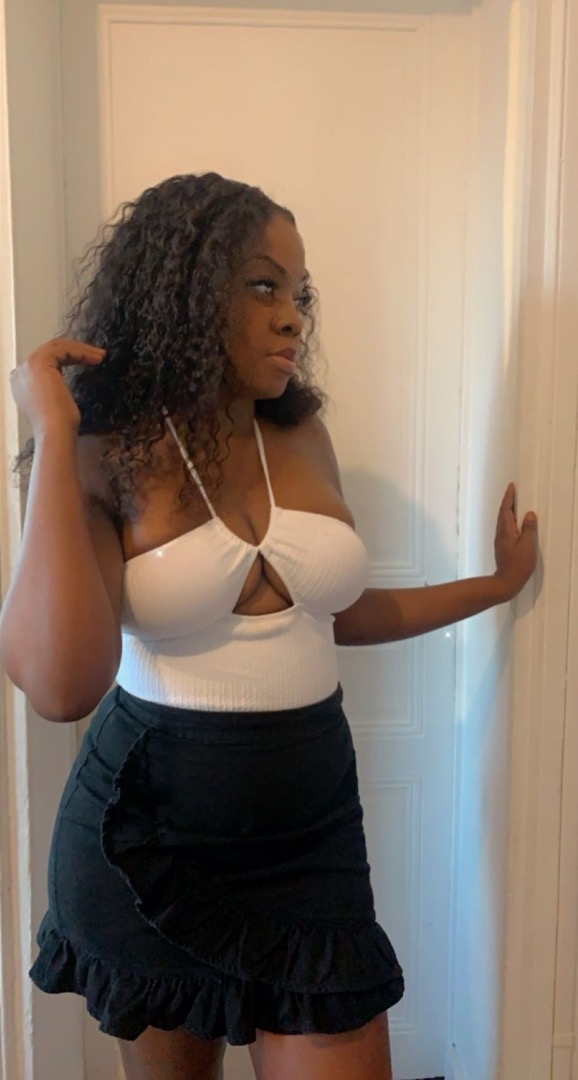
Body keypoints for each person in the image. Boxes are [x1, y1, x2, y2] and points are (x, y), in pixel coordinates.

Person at [0, 173, 538, 1080]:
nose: (293, 317)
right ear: (182, 290)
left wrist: (495, 586)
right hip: (146, 836)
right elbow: (61, 686)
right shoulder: (103, 451)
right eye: (263, 286)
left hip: (309, 830)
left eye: (300, 293)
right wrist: (55, 436)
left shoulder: (300, 433)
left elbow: (344, 615)